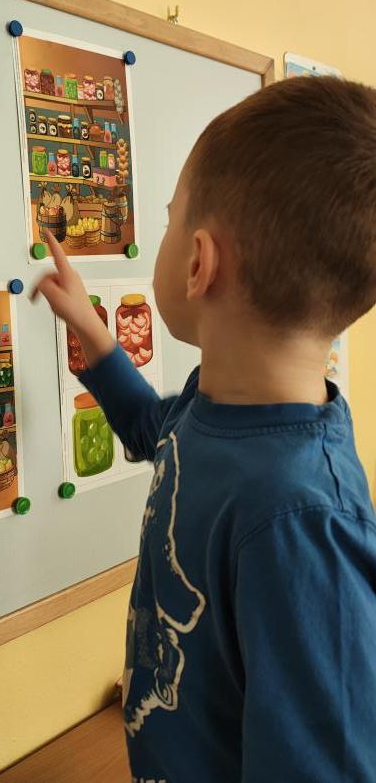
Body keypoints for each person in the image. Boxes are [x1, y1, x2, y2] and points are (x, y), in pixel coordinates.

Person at [33, 76, 376, 783]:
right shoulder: (213, 406)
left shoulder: (302, 520)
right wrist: (93, 331)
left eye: (166, 221)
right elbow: (154, 432)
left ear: (198, 262)